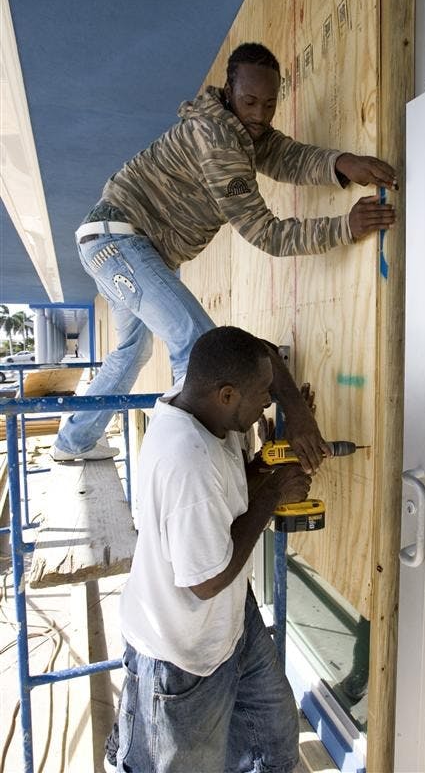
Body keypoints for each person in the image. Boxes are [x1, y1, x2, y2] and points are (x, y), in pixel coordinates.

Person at [51, 41, 397, 471]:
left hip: (134, 248)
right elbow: (264, 232)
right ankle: (206, 471)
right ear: (229, 90)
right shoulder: (219, 141)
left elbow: (287, 156)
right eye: (250, 101)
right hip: (119, 244)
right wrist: (344, 227)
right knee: (199, 349)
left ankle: (74, 439)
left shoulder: (240, 128)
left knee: (130, 354)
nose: (259, 114)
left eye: (269, 105)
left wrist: (341, 163)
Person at [112, 326, 312, 772]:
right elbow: (205, 579)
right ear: (225, 394)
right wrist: (273, 494)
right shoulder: (188, 461)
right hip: (181, 652)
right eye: (264, 394)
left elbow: (229, 494)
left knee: (274, 739)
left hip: (229, 623)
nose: (268, 402)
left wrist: (271, 452)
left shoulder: (199, 408)